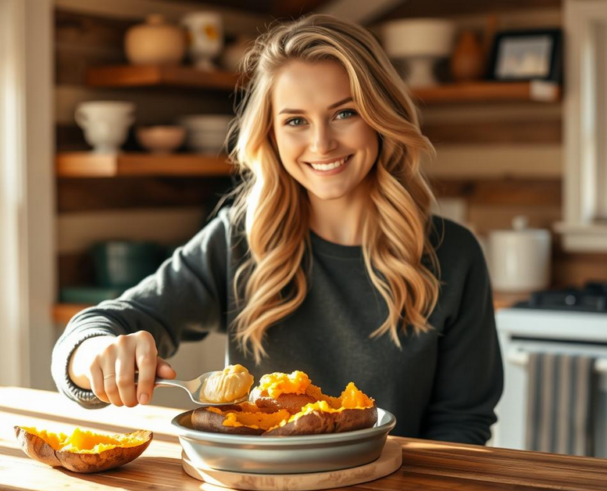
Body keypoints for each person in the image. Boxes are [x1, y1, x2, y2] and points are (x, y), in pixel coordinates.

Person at [52, 14, 503, 445]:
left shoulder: (453, 254)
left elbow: (462, 423)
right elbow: (98, 325)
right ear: (270, 134)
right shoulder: (238, 241)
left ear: (381, 117)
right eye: (295, 121)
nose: (321, 143)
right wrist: (93, 354)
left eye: (345, 113)